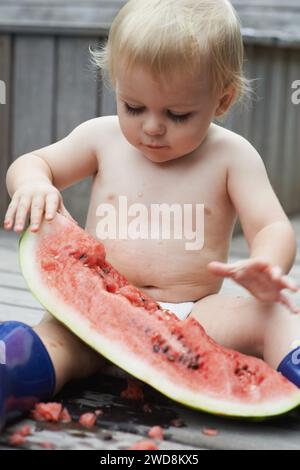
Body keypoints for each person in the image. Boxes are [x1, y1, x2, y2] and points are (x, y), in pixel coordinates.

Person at [1, 0, 300, 430]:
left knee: (277, 313)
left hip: (196, 316)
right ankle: (8, 373)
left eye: (177, 114)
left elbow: (272, 225)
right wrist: (32, 184)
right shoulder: (99, 137)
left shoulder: (234, 156)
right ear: (117, 85)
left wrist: (268, 264)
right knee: (54, 340)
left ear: (222, 100)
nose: (152, 127)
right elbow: (33, 162)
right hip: (98, 308)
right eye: (133, 107)